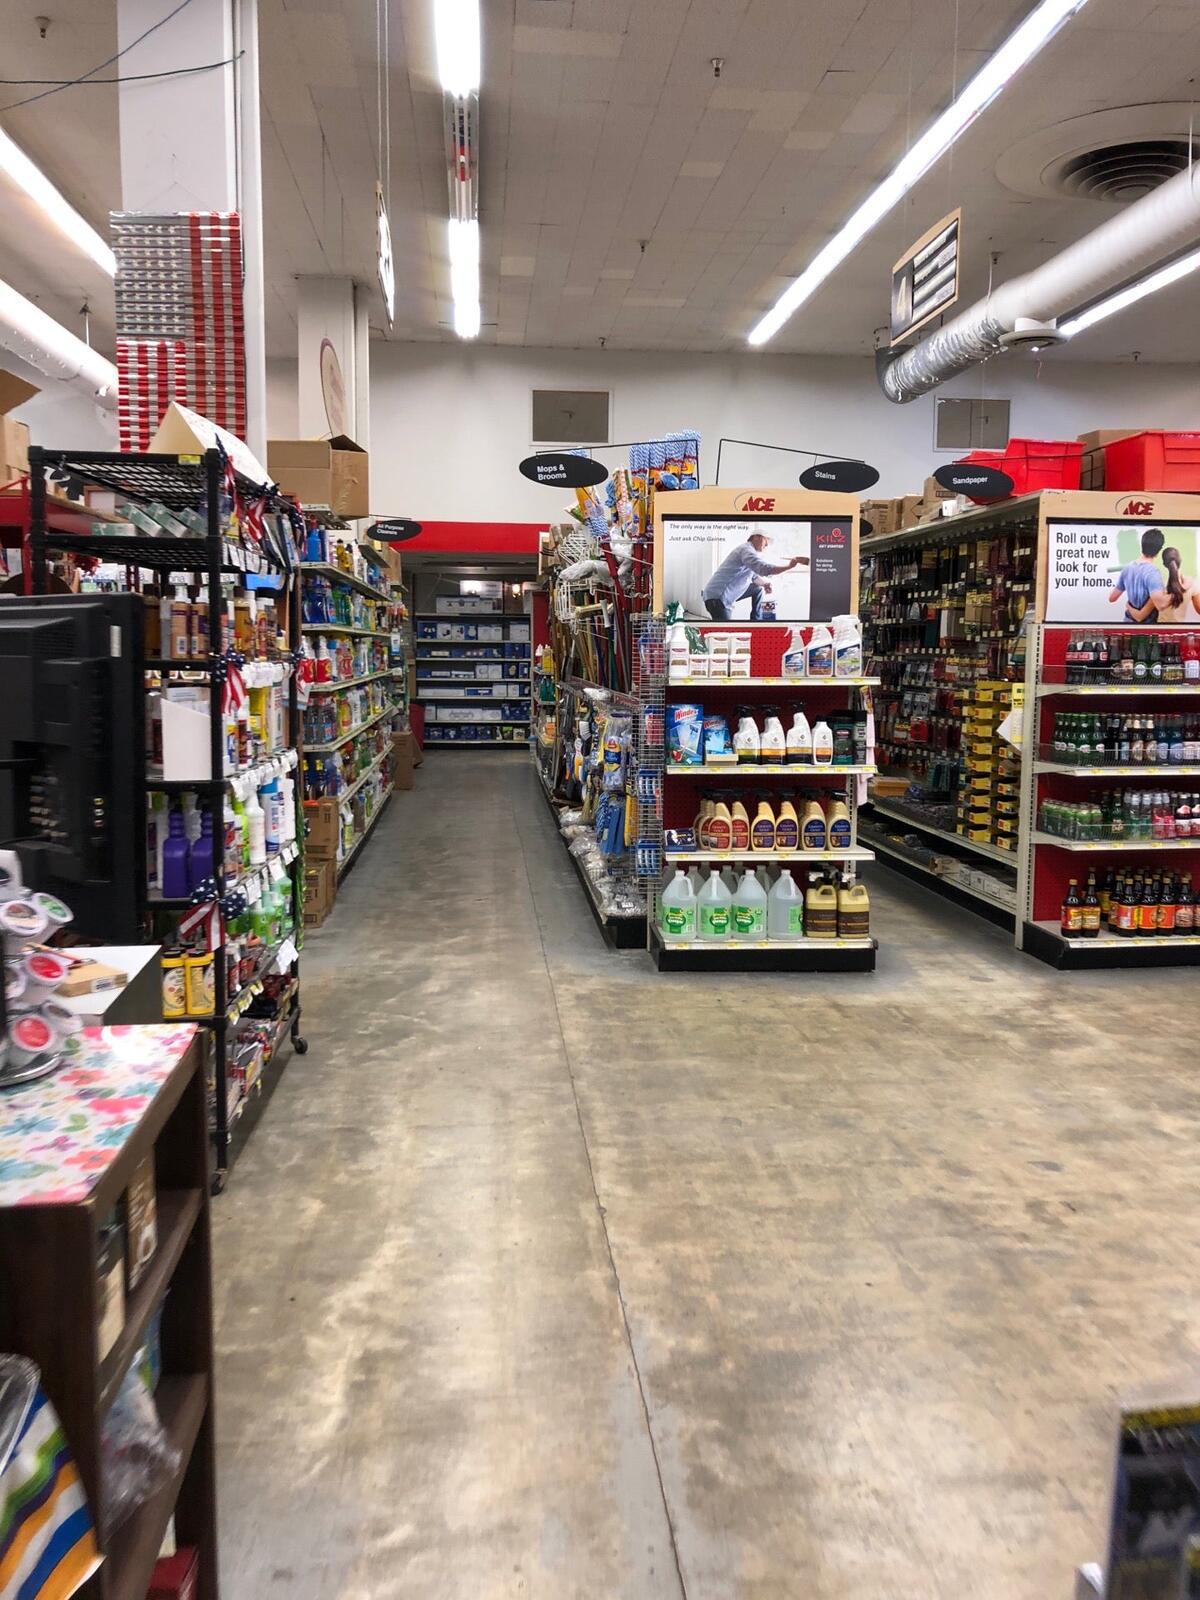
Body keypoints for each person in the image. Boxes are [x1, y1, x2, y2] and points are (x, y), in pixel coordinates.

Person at [701, 532, 809, 621]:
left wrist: (765, 584)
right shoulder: (746, 549)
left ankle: (756, 620)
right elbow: (763, 568)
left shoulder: (747, 552)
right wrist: (789, 567)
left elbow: (753, 577)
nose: (767, 545)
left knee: (758, 589)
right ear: (756, 537)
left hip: (720, 595)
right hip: (717, 598)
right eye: (766, 541)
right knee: (724, 634)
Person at [1125, 546, 1200, 623]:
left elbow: (1139, 617)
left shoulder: (1158, 588)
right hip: (1181, 629)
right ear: (1180, 560)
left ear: (1164, 564)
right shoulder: (1191, 584)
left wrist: (1128, 605)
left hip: (1161, 629)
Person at [1109, 527, 1166, 623]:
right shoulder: (1153, 572)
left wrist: (1129, 605)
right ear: (1159, 549)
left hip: (1127, 623)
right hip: (1147, 628)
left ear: (1142, 545)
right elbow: (1161, 605)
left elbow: (1112, 598)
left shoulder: (1127, 568)